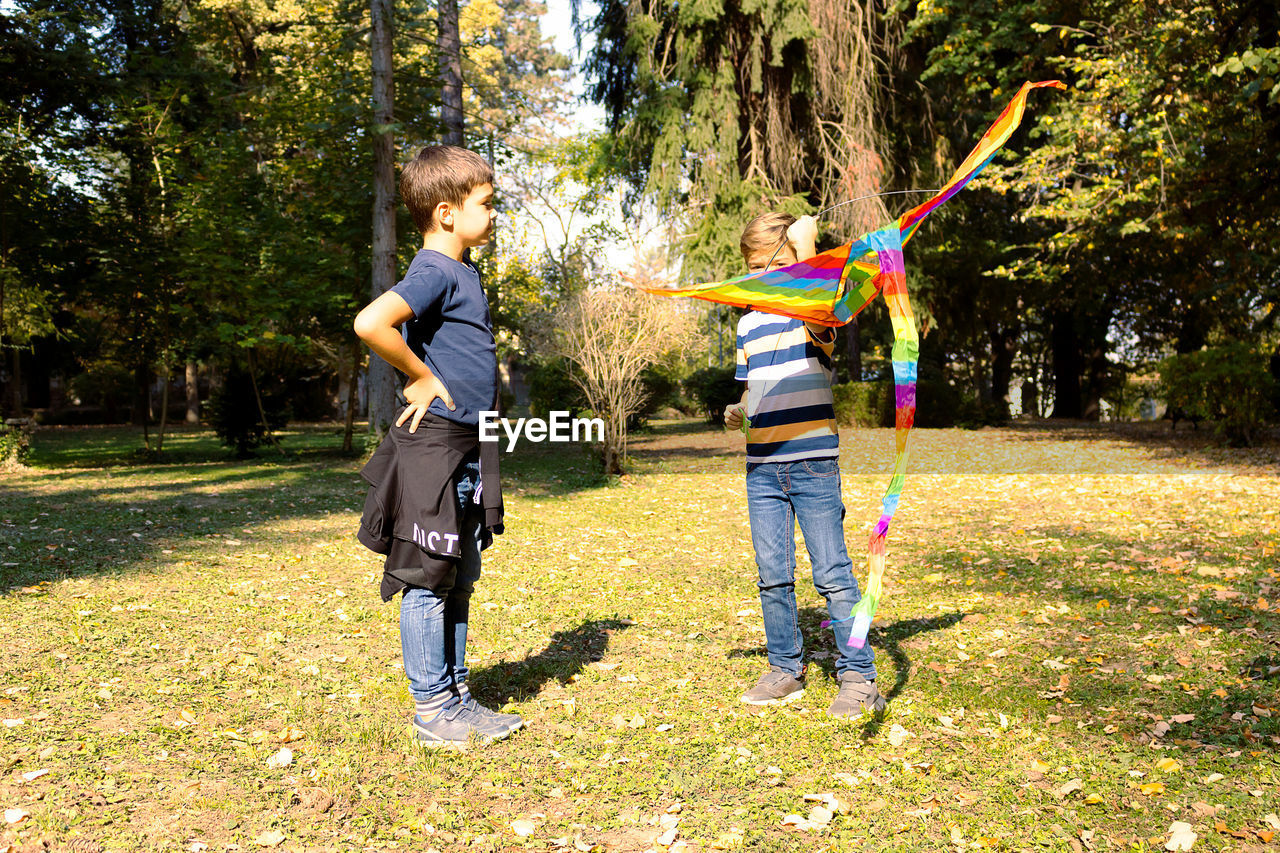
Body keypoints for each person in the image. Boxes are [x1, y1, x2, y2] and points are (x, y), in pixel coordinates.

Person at [352, 144, 521, 747]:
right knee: (428, 575)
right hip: (435, 446)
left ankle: (457, 697)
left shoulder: (462, 272)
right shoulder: (435, 271)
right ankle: (432, 711)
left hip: (468, 443)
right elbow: (371, 323)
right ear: (447, 213)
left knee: (459, 572)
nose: (493, 214)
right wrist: (420, 376)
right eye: (486, 204)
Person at [724, 211, 886, 718]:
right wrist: (740, 410)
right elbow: (752, 390)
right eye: (752, 267)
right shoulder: (748, 324)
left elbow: (822, 302)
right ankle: (784, 668)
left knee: (834, 574)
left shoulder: (815, 313)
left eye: (771, 265)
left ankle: (859, 677)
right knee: (773, 575)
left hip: (813, 462)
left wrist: (808, 243)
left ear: (796, 263)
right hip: (763, 467)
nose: (759, 275)